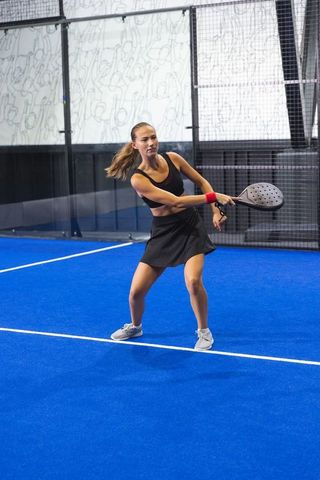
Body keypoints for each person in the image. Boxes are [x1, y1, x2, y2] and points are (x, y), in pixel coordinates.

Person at [105, 122, 234, 350]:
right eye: (144, 139)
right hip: (163, 232)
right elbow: (174, 200)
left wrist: (215, 207)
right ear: (135, 145)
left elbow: (201, 181)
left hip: (189, 226)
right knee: (136, 292)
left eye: (153, 137)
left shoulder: (173, 158)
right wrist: (214, 197)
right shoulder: (138, 179)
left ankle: (204, 332)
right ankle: (135, 326)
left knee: (193, 282)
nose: (151, 143)